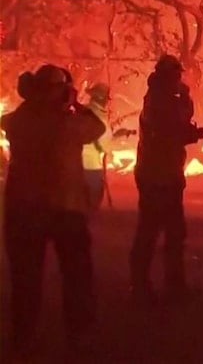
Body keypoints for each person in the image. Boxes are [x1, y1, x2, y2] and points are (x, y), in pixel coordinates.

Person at [2, 65, 106, 356]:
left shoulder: (19, 120)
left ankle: (23, 339)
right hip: (65, 209)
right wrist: (74, 104)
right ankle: (79, 336)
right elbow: (96, 127)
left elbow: (10, 119)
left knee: (26, 280)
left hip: (23, 209)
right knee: (77, 277)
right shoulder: (66, 123)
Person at [129, 55, 203, 305]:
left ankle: (161, 283)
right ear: (168, 76)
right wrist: (191, 126)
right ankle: (154, 285)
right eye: (176, 75)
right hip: (159, 175)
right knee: (158, 231)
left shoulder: (158, 97)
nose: (179, 79)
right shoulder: (160, 100)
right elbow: (174, 129)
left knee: (161, 231)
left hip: (161, 172)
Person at [81, 82, 112, 209]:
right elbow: (105, 147)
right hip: (92, 168)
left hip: (75, 166)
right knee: (91, 209)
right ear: (104, 99)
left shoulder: (80, 112)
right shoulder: (101, 120)